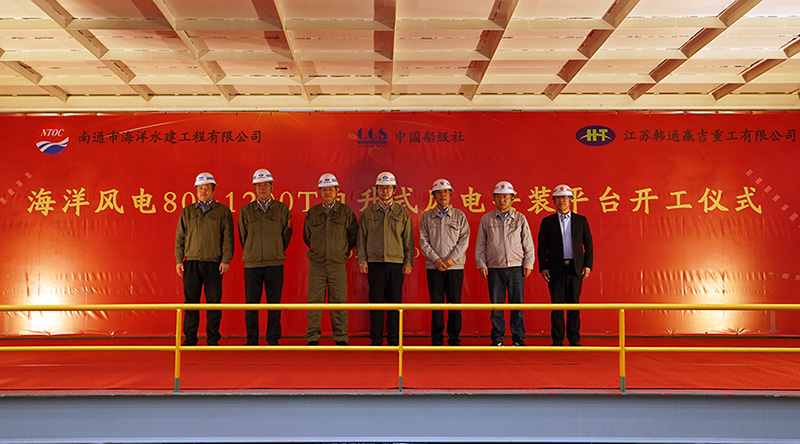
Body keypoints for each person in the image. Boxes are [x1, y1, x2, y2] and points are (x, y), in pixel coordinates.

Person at [174, 172, 234, 346]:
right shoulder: (187, 211)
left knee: (214, 304)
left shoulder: (222, 211)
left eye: (206, 188)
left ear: (213, 190)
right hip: (191, 263)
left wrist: (226, 260)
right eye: (200, 188)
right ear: (196, 190)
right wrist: (179, 260)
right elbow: (180, 238)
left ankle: (213, 339)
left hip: (214, 263)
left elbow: (228, 238)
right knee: (190, 303)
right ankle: (190, 338)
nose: (203, 191)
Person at [357, 171, 414, 346]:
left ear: (394, 190)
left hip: (396, 264)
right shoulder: (368, 212)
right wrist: (362, 260)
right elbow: (361, 238)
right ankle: (376, 339)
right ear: (376, 190)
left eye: (388, 188)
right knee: (375, 303)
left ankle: (394, 339)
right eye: (381, 188)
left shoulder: (402, 212)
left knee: (395, 303)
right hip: (374, 264)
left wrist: (408, 262)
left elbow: (408, 239)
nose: (385, 191)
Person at [475, 181, 535, 346]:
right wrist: (481, 264)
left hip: (516, 268)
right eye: (499, 197)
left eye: (505, 197)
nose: (502, 200)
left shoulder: (520, 218)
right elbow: (480, 244)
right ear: (494, 198)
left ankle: (518, 339)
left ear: (512, 198)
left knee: (517, 306)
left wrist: (528, 264)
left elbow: (528, 243)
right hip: (494, 268)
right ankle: (497, 339)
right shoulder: (487, 219)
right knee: (496, 307)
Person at [238, 168, 292, 346]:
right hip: (252, 265)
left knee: (274, 304)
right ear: (254, 188)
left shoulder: (281, 209)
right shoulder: (246, 211)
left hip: (274, 263)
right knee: (251, 305)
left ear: (271, 186)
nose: (262, 188)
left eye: (265, 185)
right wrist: (252, 251)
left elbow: (286, 235)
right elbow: (243, 237)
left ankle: (273, 338)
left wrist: (275, 250)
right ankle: (252, 340)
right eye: (258, 185)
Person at [303, 173, 358, 346]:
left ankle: (340, 337)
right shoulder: (312, 213)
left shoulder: (346, 212)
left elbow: (353, 236)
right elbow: (307, 237)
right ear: (319, 192)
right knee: (314, 302)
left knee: (339, 301)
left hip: (337, 264)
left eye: (330, 189)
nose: (327, 193)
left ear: (337, 191)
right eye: (324, 190)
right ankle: (312, 337)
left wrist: (340, 251)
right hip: (317, 264)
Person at [537, 184, 594, 346]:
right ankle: (557, 341)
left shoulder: (581, 220)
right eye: (558, 198)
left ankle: (574, 340)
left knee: (574, 305)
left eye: (564, 198)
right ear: (553, 201)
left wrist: (587, 265)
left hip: (575, 269)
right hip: (555, 269)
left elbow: (589, 245)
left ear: (571, 200)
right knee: (556, 306)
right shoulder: (547, 222)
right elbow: (542, 247)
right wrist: (543, 267)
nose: (561, 201)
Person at [419, 178, 470, 346]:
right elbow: (423, 241)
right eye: (439, 193)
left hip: (454, 267)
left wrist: (451, 260)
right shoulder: (427, 217)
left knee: (455, 303)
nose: (443, 195)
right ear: (434, 196)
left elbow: (464, 240)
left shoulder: (459, 215)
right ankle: (437, 339)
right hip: (434, 267)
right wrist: (436, 259)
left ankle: (454, 338)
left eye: (445, 192)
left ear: (450, 194)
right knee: (436, 304)